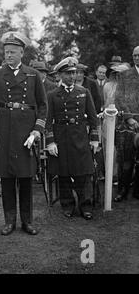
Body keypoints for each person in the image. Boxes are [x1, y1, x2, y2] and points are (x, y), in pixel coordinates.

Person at [0, 31, 47, 236]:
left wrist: (36, 130)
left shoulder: (33, 74)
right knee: (7, 177)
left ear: (22, 52)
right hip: (4, 129)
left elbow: (43, 106)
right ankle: (9, 220)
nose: (8, 55)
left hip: (26, 131)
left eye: (12, 52)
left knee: (26, 178)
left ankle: (27, 221)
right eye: (6, 52)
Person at [46, 57, 99, 220]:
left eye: (74, 73)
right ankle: (67, 204)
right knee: (63, 172)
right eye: (68, 73)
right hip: (61, 137)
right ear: (60, 75)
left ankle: (86, 206)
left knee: (83, 173)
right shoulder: (52, 95)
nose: (72, 76)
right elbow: (48, 121)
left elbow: (92, 118)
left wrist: (94, 139)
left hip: (80, 136)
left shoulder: (83, 92)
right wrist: (50, 142)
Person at [113, 46, 139, 202]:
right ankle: (122, 190)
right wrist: (129, 118)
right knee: (126, 161)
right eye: (135, 55)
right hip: (129, 125)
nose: (137, 58)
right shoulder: (125, 75)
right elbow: (119, 98)